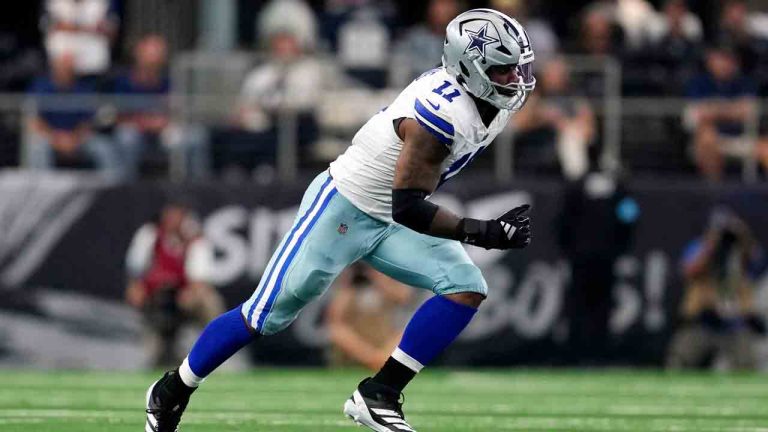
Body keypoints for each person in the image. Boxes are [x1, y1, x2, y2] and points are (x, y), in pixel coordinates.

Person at [145, 9, 535, 432]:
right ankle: (171, 390)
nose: (514, 78)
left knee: (466, 289)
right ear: (468, 69)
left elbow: (404, 207)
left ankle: (379, 394)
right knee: (264, 315)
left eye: (517, 67)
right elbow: (410, 206)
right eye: (502, 69)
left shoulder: (489, 100)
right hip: (345, 208)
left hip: (393, 216)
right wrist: (482, 231)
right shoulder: (438, 117)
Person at [126, 199, 224, 368]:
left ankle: (219, 352)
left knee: (209, 301)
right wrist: (137, 288)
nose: (172, 218)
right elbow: (135, 270)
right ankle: (156, 355)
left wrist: (190, 293)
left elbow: (200, 280)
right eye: (169, 213)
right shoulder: (150, 235)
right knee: (154, 355)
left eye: (177, 213)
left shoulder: (195, 240)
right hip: (156, 297)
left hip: (184, 296)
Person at [666, 207, 766, 370]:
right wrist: (711, 246)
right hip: (702, 320)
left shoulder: (741, 251)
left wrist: (742, 237)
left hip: (735, 322)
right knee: (679, 362)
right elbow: (689, 272)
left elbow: (758, 265)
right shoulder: (698, 246)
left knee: (748, 366)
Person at [113, 35, 209, 180]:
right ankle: (127, 187)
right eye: (150, 54)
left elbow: (179, 111)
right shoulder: (122, 82)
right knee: (126, 137)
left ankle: (194, 189)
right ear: (138, 54)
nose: (154, 60)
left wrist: (167, 121)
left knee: (196, 136)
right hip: (136, 132)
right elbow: (115, 116)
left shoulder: (169, 82)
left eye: (159, 54)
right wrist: (146, 123)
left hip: (164, 132)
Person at [27, 52, 121, 179]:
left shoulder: (84, 90)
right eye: (62, 66)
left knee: (104, 148)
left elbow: (88, 122)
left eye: (69, 67)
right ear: (54, 67)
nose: (65, 70)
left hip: (78, 138)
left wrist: (74, 139)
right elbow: (35, 120)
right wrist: (55, 138)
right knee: (37, 147)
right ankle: (41, 191)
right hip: (50, 137)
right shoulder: (40, 88)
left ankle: (113, 190)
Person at [684, 45, 757, 181]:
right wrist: (731, 110)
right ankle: (715, 194)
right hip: (707, 137)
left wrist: (714, 109)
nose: (724, 64)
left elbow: (747, 111)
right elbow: (698, 114)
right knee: (707, 139)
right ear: (710, 61)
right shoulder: (698, 83)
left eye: (729, 60)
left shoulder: (744, 82)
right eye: (720, 59)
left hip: (739, 135)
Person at [326, 263, 416, 371]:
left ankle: (381, 360)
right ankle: (374, 360)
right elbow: (335, 318)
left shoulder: (388, 273)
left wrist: (379, 278)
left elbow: (404, 297)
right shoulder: (351, 281)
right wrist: (350, 282)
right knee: (338, 332)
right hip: (358, 343)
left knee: (406, 331)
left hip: (383, 341)